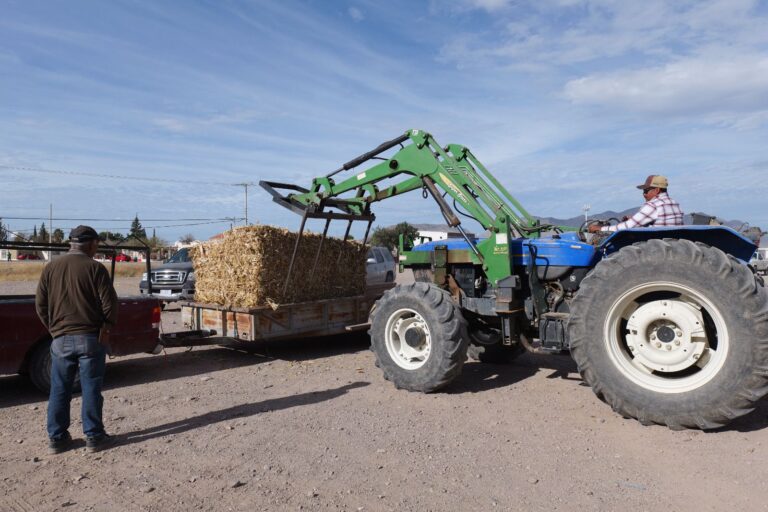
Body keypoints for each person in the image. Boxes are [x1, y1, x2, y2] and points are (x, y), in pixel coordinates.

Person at [35, 225, 118, 454]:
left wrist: (54, 329)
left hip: (60, 339)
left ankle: (57, 439)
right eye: (97, 244)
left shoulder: (51, 267)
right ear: (91, 243)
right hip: (91, 338)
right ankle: (94, 437)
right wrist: (106, 328)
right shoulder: (95, 268)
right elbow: (109, 304)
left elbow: (40, 304)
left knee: (59, 389)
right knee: (91, 388)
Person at [589, 175, 684, 233]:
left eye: (646, 191)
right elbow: (663, 224)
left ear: (657, 190)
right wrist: (635, 220)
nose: (644, 194)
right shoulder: (674, 204)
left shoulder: (653, 205)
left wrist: (600, 229)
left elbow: (627, 227)